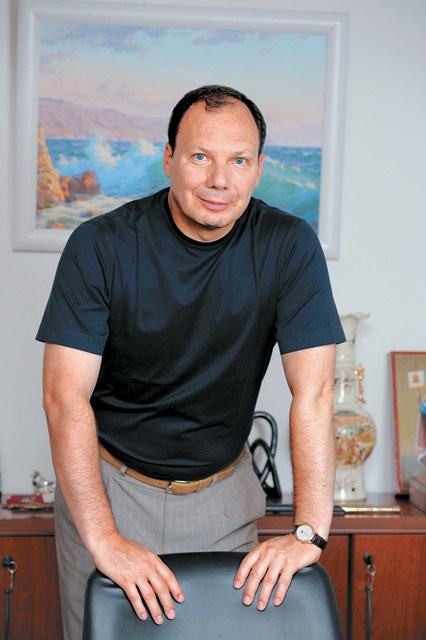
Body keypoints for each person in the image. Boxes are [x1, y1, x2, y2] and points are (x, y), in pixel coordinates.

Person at [37, 85, 345, 640]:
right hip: (110, 489)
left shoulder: (289, 245)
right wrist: (103, 537)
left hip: (224, 497)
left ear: (259, 168)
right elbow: (64, 397)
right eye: (201, 156)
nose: (219, 180)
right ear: (168, 158)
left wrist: (309, 531)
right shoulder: (99, 245)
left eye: (239, 160)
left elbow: (315, 392)